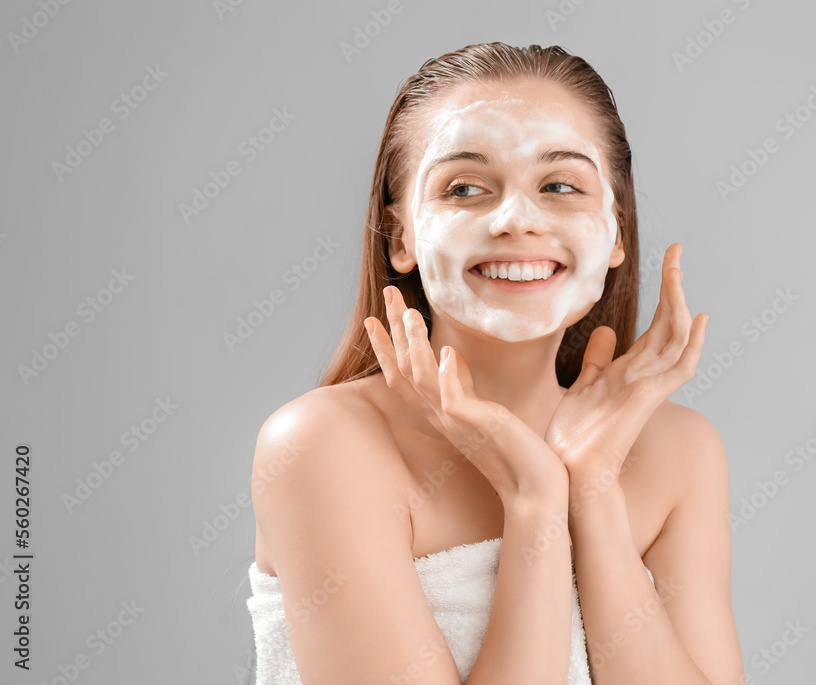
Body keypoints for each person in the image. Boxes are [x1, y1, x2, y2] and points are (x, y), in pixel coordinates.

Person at [246, 41, 744, 684]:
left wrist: (590, 490)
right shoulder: (325, 447)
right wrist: (535, 498)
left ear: (615, 232)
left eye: (560, 185)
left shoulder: (680, 452)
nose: (516, 219)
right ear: (402, 235)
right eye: (466, 189)